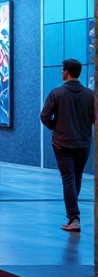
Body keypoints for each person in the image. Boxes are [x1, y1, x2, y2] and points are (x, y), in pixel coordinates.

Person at [40, 57, 94, 233]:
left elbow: (44, 116)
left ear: (66, 72)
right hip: (83, 143)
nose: (61, 72)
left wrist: (56, 128)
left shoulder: (57, 93)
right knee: (76, 178)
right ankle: (73, 215)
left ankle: (73, 218)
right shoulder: (90, 95)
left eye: (62, 69)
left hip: (62, 143)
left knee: (68, 179)